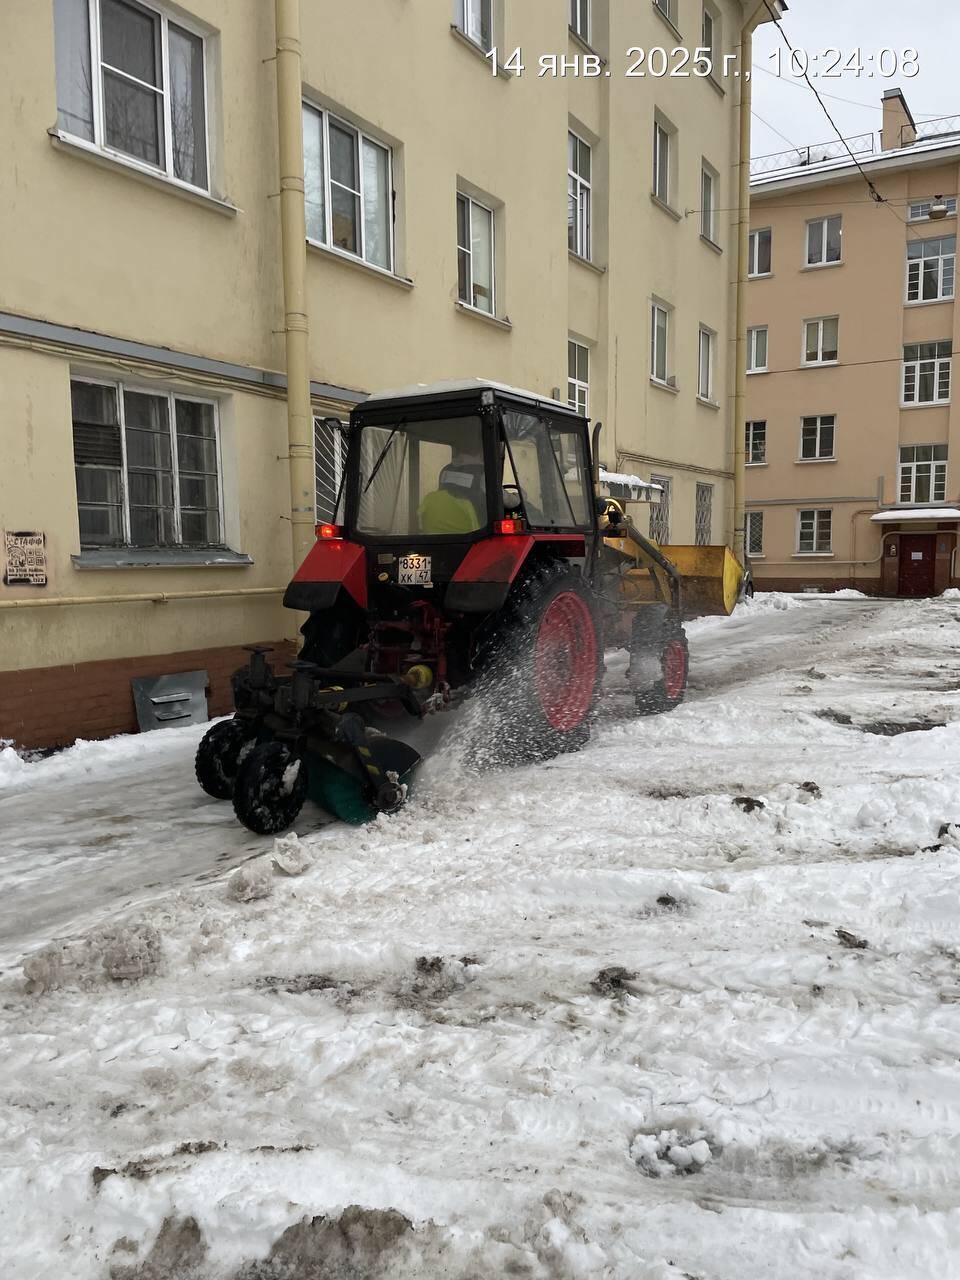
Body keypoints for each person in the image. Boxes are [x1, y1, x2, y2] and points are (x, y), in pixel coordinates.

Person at [417, 445, 486, 534]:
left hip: (438, 535)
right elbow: (497, 495)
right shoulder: (484, 472)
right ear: (480, 453)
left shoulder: (446, 469)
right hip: (472, 533)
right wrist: (510, 500)